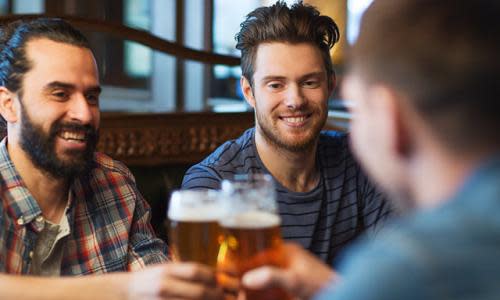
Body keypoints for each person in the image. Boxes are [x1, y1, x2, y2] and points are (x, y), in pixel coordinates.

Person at [241, 0, 500, 299]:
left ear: (389, 117)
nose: (295, 100)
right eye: (275, 84)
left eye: (358, 106)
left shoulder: (405, 266)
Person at [0, 18, 221, 299]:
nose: (83, 113)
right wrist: (125, 288)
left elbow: (160, 288)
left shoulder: (114, 182)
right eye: (60, 94)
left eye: (91, 97)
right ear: (8, 104)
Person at [182, 1, 392, 265]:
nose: (295, 100)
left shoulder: (361, 159)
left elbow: (406, 272)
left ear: (330, 85)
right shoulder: (212, 184)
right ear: (249, 92)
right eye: (275, 84)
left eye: (309, 82)